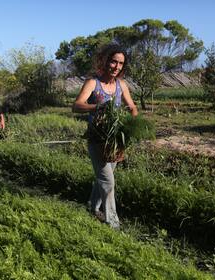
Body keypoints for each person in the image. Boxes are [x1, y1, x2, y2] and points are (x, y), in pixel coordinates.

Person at [72, 43, 138, 229]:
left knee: (103, 178)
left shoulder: (121, 85)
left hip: (115, 141)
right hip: (97, 139)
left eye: (120, 64)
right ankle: (113, 222)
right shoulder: (93, 83)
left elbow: (132, 106)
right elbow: (76, 106)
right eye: (113, 62)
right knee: (108, 180)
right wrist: (97, 107)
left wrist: (132, 121)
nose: (116, 67)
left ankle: (93, 207)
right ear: (106, 61)